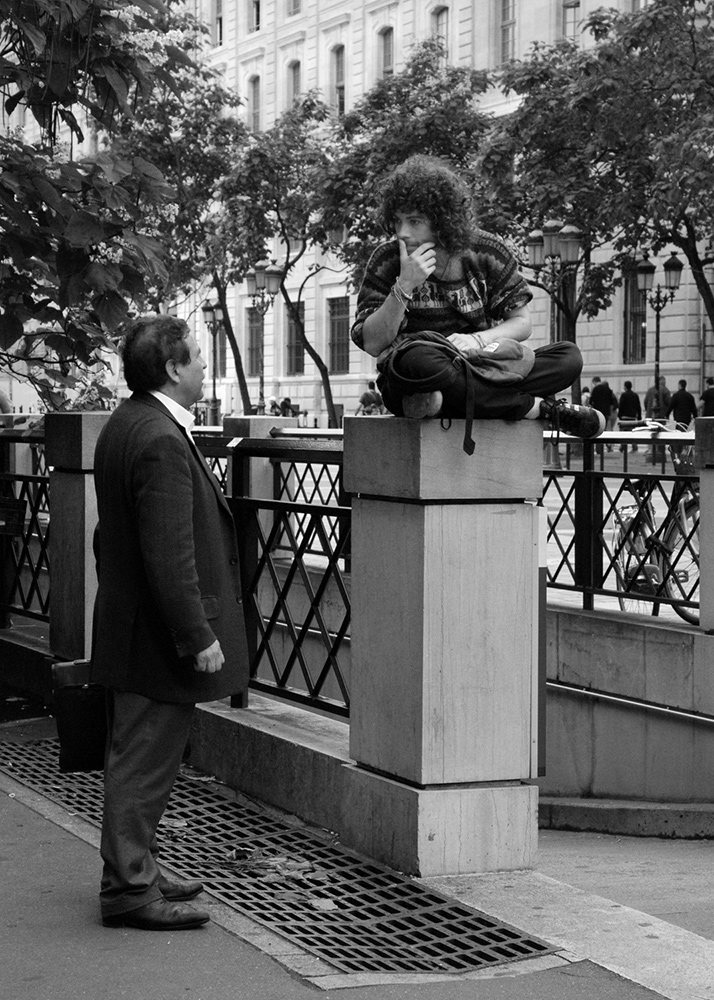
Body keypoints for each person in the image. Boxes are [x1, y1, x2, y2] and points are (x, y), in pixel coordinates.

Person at [91, 314, 248, 932]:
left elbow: (112, 538)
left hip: (133, 626)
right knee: (143, 760)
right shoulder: (158, 437)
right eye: (200, 357)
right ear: (174, 369)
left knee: (138, 754)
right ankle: (129, 890)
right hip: (156, 638)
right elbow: (169, 554)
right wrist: (197, 634)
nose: (206, 365)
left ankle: (139, 870)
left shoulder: (127, 423)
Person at [351, 155, 604, 444]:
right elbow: (373, 344)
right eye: (397, 221)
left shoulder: (487, 252)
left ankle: (445, 402)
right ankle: (538, 408)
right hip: (417, 371)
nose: (402, 232)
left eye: (414, 221)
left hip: (482, 362)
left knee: (568, 357)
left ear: (442, 221)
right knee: (417, 360)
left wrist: (477, 341)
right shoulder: (387, 260)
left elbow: (521, 323)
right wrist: (405, 284)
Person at [589, 378, 618, 450]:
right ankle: (608, 445)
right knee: (605, 430)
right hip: (606, 413)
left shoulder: (595, 389)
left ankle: (599, 448)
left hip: (597, 413)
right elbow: (612, 403)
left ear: (595, 382)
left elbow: (591, 401)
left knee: (597, 430)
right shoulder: (608, 390)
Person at [617, 380, 642, 452]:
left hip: (624, 417)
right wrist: (639, 416)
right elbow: (638, 406)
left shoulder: (623, 395)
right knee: (632, 433)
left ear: (625, 387)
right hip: (632, 417)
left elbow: (621, 406)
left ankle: (623, 446)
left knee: (623, 433)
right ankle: (634, 446)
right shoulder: (635, 395)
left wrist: (620, 415)